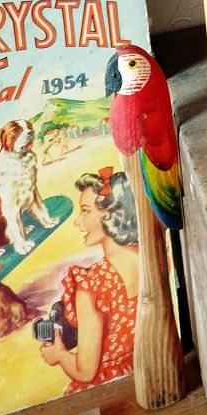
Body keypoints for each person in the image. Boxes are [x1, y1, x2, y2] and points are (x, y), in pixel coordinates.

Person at [39, 167, 138, 392]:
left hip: (102, 388)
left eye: (85, 211)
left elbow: (85, 372)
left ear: (110, 215)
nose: (78, 222)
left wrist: (59, 355)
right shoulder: (149, 257)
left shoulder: (92, 284)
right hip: (134, 370)